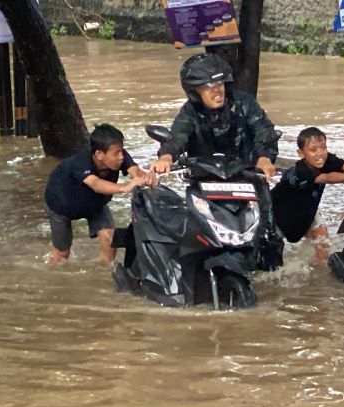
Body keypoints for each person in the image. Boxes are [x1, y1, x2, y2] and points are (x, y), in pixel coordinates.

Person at [150, 52, 283, 270]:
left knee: (269, 236)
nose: (217, 89)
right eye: (208, 85)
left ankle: (272, 278)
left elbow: (263, 132)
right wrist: (165, 157)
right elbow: (178, 137)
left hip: (248, 179)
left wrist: (265, 158)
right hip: (206, 182)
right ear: (194, 91)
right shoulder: (190, 111)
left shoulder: (245, 104)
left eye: (220, 82)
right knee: (193, 231)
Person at [44, 124, 157, 265]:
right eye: (116, 153)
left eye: (121, 151)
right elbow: (96, 184)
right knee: (62, 254)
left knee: (110, 241)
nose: (121, 157)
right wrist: (126, 187)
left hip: (95, 204)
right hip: (61, 205)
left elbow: (135, 171)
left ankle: (101, 275)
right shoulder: (80, 163)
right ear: (99, 154)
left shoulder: (120, 157)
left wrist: (146, 177)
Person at [271, 127, 344, 263]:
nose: (320, 154)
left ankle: (318, 276)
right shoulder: (299, 172)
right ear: (301, 153)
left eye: (323, 147)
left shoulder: (326, 159)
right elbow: (326, 177)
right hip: (277, 215)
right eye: (313, 150)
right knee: (272, 264)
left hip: (307, 212)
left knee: (323, 244)